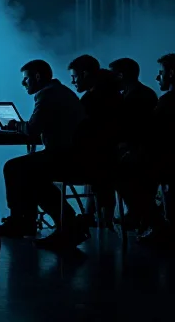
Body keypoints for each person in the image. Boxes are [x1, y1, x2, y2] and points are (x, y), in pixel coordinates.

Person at [0, 59, 89, 250]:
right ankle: (46, 222)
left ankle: (23, 221)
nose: (23, 83)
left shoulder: (47, 95)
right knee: (28, 170)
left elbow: (32, 129)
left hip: (65, 156)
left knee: (15, 168)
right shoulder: (61, 92)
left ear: (37, 77)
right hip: (76, 154)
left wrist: (16, 125)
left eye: (26, 79)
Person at [130, 53, 175, 245]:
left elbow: (151, 133)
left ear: (172, 74)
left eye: (161, 73)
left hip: (168, 163)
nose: (158, 77)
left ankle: (158, 225)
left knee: (128, 177)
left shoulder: (169, 101)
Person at [67, 55, 122, 226]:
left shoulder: (91, 100)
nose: (72, 82)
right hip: (110, 161)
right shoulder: (115, 96)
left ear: (84, 74)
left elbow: (77, 130)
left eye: (74, 77)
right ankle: (98, 216)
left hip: (94, 163)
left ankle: (68, 221)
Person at [108, 57, 159, 230]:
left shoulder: (135, 97)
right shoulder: (144, 93)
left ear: (120, 76)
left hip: (142, 153)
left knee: (109, 170)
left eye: (112, 76)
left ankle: (141, 212)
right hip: (145, 151)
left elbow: (131, 129)